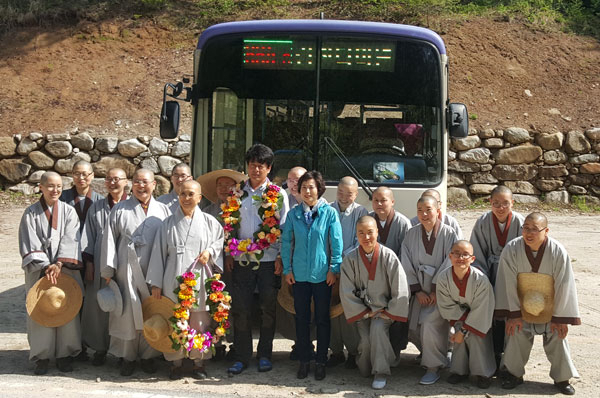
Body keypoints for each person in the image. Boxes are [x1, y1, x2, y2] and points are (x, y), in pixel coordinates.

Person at [495, 212, 580, 395]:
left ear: (546, 231)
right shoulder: (511, 249)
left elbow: (565, 285)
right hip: (521, 306)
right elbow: (507, 283)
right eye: (526, 228)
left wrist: (560, 318)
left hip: (551, 309)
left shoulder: (558, 251)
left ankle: (561, 378)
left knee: (558, 334)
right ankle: (513, 374)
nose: (529, 233)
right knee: (515, 331)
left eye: (534, 229)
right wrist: (514, 315)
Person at [147, 180, 224, 380]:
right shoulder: (167, 224)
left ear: (200, 198)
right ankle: (175, 362)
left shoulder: (209, 222)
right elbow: (158, 255)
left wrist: (210, 251)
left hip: (200, 278)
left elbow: (219, 241)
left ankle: (199, 362)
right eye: (183, 194)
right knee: (176, 320)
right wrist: (155, 283)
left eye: (191, 194)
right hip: (172, 278)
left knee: (199, 322)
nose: (187, 198)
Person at [225, 144, 289, 375]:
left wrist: (281, 255)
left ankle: (264, 355)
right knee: (241, 308)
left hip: (269, 259)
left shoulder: (278, 194)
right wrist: (230, 253)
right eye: (252, 166)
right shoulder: (236, 193)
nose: (255, 170)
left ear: (269, 168)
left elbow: (283, 227)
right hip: (242, 259)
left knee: (267, 309)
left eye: (260, 166)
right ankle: (242, 356)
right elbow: (230, 225)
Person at [100, 169, 171, 376]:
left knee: (153, 310)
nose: (142, 186)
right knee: (128, 313)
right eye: (137, 182)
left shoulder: (163, 210)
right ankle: (127, 357)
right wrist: (108, 270)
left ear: (154, 185)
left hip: (154, 269)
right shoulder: (120, 210)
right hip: (126, 270)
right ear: (132, 184)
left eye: (146, 182)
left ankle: (149, 356)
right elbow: (109, 240)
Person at [19, 171, 83, 375]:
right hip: (40, 271)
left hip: (64, 271)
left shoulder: (69, 211)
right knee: (40, 310)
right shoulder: (30, 213)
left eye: (58, 187)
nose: (54, 190)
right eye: (50, 186)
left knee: (66, 308)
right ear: (41, 187)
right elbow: (28, 241)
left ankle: (65, 354)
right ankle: (42, 356)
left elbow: (71, 238)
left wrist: (59, 263)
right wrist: (47, 265)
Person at [282, 171, 343, 381]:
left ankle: (321, 361)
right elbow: (286, 243)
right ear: (299, 190)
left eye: (312, 187)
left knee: (323, 319)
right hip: (299, 275)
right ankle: (304, 359)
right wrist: (288, 270)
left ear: (319, 189)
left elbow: (336, 243)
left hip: (322, 275)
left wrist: (334, 269)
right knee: (302, 319)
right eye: (304, 187)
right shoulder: (293, 214)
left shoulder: (329, 213)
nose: (308, 191)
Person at [340, 216, 410, 390]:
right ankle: (367, 367)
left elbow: (400, 288)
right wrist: (365, 312)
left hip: (385, 311)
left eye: (370, 232)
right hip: (364, 311)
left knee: (378, 329)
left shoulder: (389, 256)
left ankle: (381, 372)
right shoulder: (350, 259)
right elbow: (346, 291)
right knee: (365, 340)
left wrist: (387, 311)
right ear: (356, 235)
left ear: (377, 232)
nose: (366, 237)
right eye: (361, 233)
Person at [401, 195, 458, 385]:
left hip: (440, 293)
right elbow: (406, 262)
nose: (424, 214)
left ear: (437, 210)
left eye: (428, 210)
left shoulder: (449, 234)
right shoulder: (411, 234)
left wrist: (434, 290)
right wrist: (417, 291)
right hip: (418, 293)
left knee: (428, 324)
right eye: (420, 210)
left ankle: (433, 367)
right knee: (412, 326)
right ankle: (436, 354)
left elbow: (450, 262)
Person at [469, 185, 524, 367]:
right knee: (491, 314)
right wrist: (484, 280)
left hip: (513, 277)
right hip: (489, 273)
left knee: (510, 315)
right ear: (490, 203)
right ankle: (493, 354)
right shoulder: (483, 222)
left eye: (505, 203)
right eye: (496, 203)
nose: (501, 208)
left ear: (512, 203)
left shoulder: (520, 222)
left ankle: (509, 360)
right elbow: (476, 252)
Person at [80, 168, 129, 366]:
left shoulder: (132, 206)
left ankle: (122, 351)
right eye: (109, 179)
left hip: (126, 265)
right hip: (101, 263)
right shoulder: (97, 207)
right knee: (100, 306)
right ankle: (100, 348)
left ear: (126, 182)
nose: (112, 182)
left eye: (117, 179)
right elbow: (88, 236)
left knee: (124, 308)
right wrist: (89, 262)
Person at [436, 240, 496, 388]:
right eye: (456, 253)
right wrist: (461, 327)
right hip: (457, 318)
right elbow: (445, 304)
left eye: (465, 255)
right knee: (458, 336)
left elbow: (483, 308)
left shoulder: (481, 280)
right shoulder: (443, 278)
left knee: (476, 336)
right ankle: (458, 371)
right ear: (450, 256)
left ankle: (483, 373)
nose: (460, 258)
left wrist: (465, 329)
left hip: (479, 319)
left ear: (472, 259)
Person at [328, 176, 366, 368]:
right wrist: (332, 260)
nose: (344, 197)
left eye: (349, 194)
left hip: (352, 269)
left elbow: (362, 241)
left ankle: (353, 351)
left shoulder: (362, 212)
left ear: (356, 194)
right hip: (329, 270)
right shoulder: (327, 209)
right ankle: (335, 351)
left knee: (349, 310)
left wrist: (341, 257)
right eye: (340, 193)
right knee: (331, 309)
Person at [60, 160, 103, 233]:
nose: (81, 178)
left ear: (92, 175)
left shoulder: (100, 200)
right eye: (77, 174)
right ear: (72, 175)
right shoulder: (62, 197)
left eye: (85, 174)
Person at [369, 187, 411, 257]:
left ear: (392, 202)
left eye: (383, 200)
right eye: (376, 200)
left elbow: (406, 251)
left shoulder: (402, 223)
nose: (379, 203)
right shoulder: (368, 219)